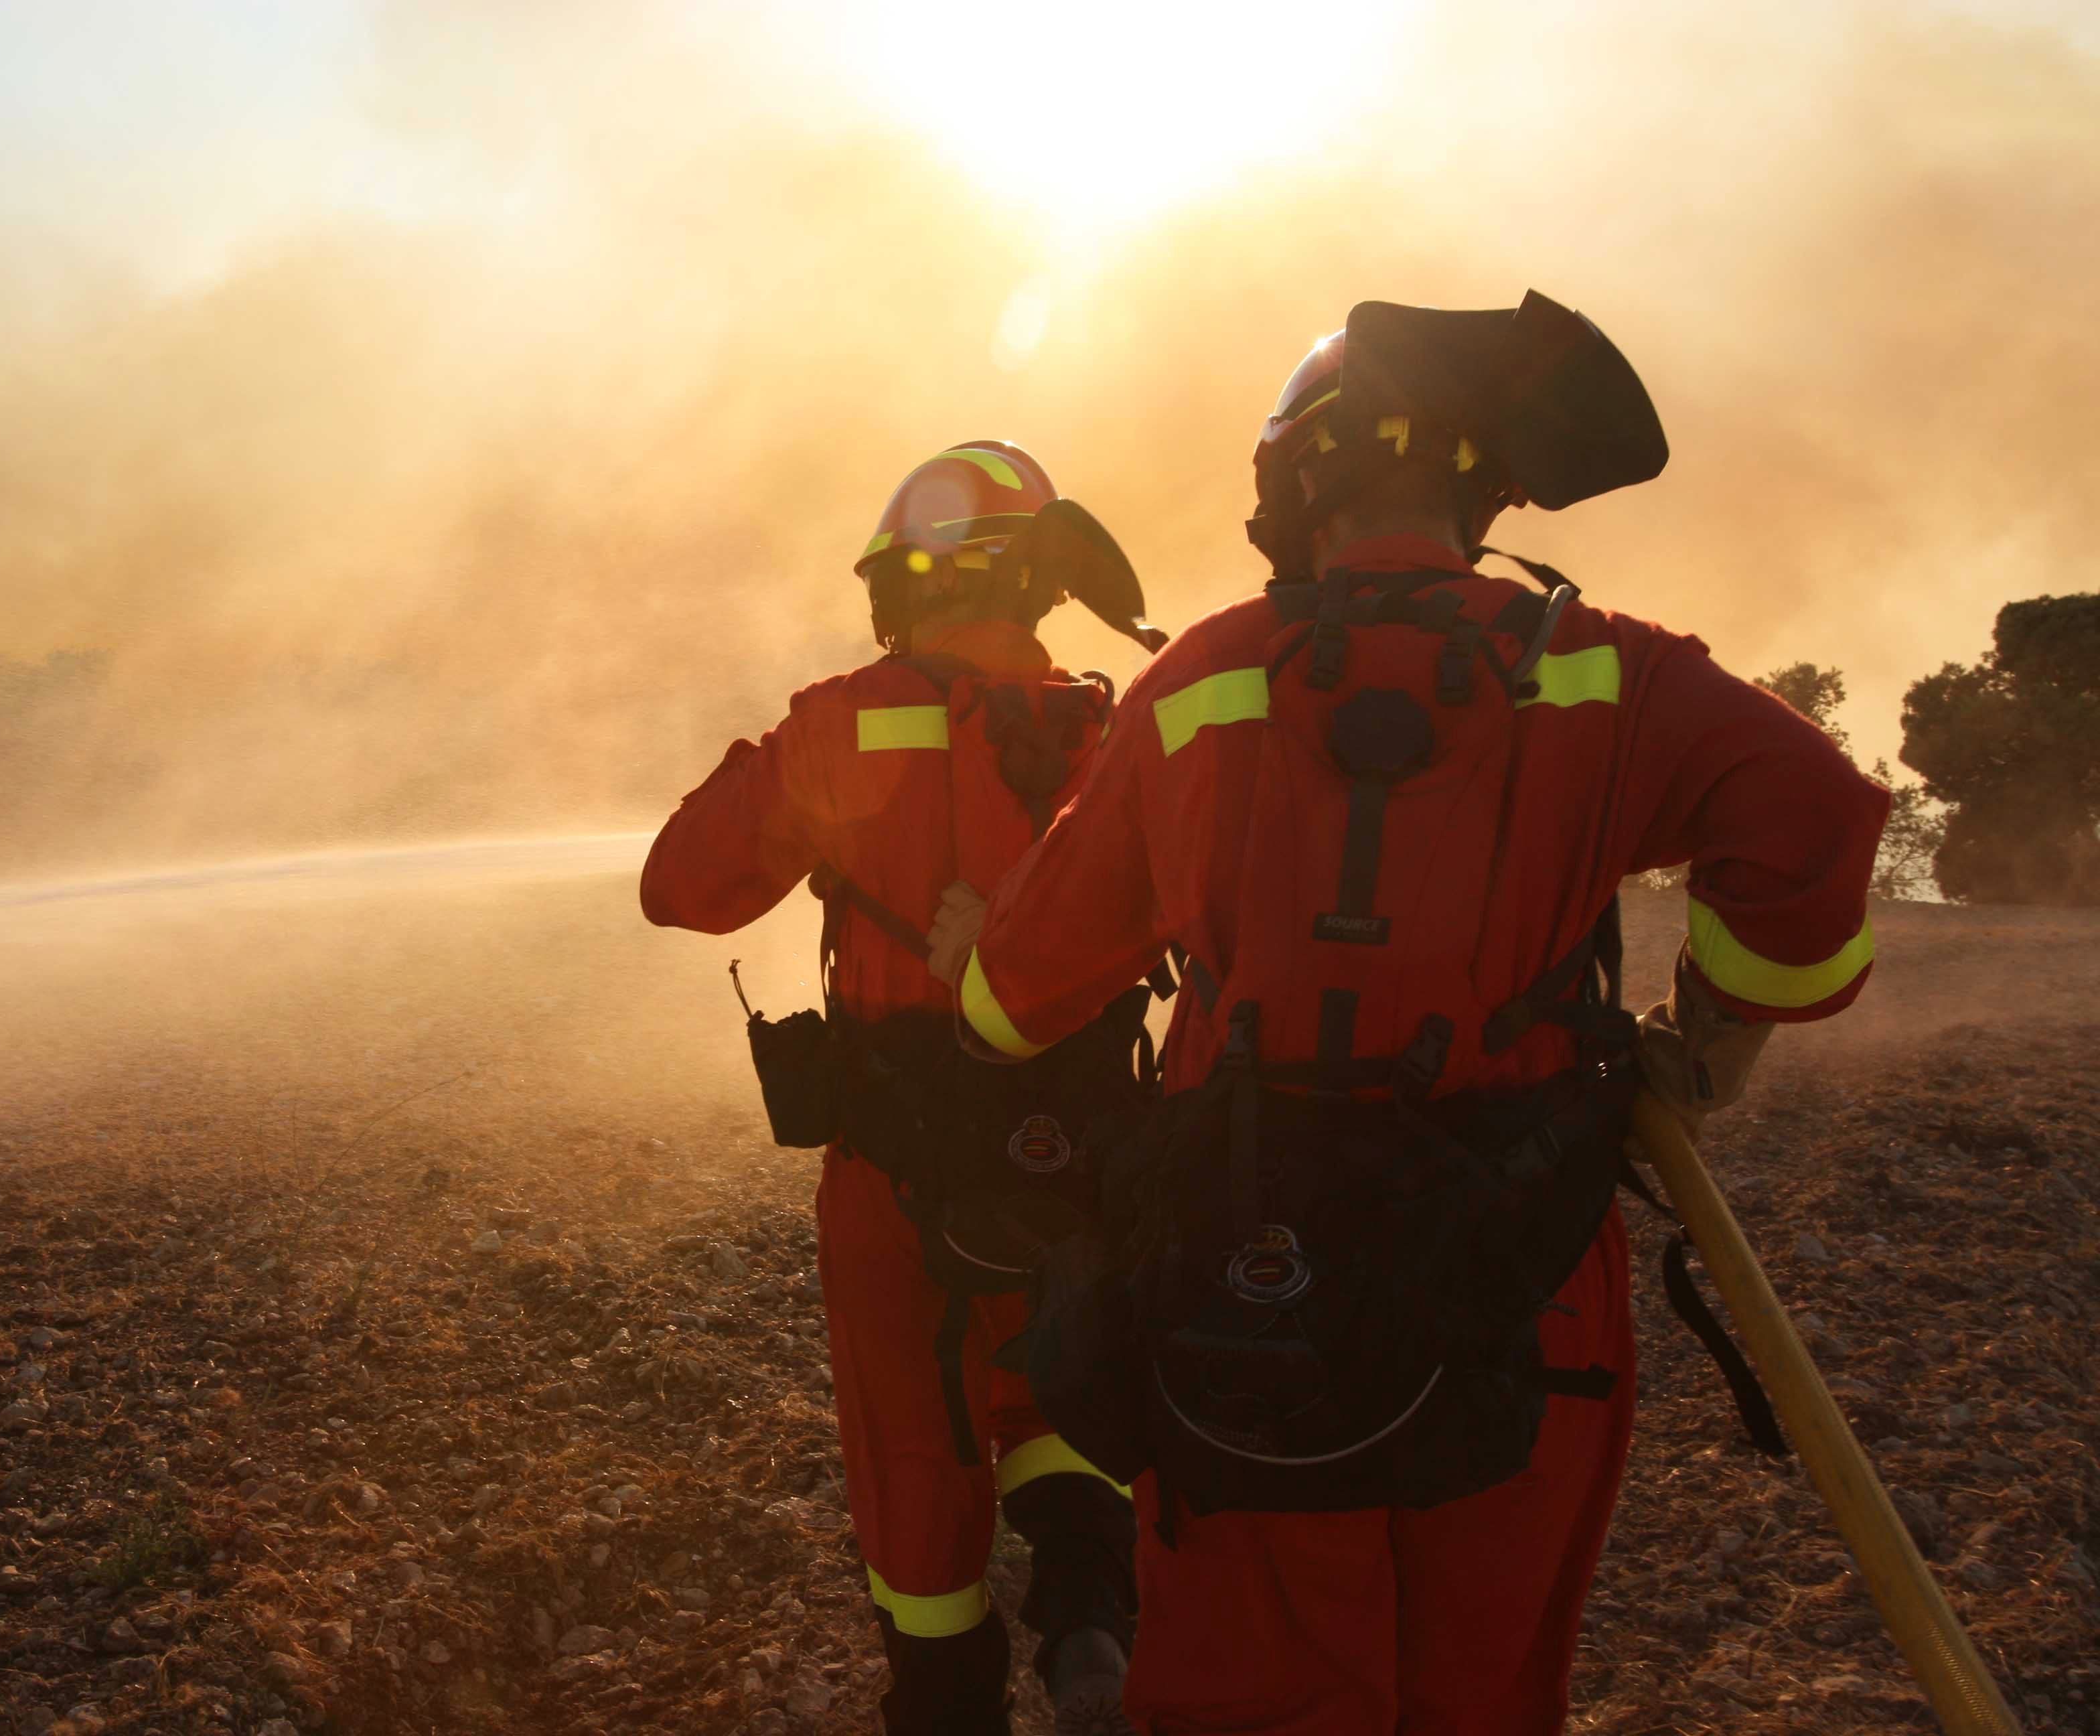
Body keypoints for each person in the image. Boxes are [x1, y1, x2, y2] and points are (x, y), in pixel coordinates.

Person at [933, 302, 1889, 1735]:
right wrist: (1708, 1044)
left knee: (1251, 1695)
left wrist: (977, 967)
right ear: (1482, 484)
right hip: (1521, 1275)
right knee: (1480, 1689)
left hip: (1236, 1275)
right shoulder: (1603, 669)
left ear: (1293, 484)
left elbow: (1013, 1005)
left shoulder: (1201, 681)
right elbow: (1815, 819)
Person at [642, 441, 1160, 1736]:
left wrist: (772, 768)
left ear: (898, 584)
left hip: (898, 1166)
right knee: (1063, 1368)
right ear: (1042, 584)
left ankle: (944, 1696)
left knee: (915, 1435)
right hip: (1089, 1143)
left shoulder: (842, 722)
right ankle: (1091, 1620)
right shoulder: (1118, 731)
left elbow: (680, 887)